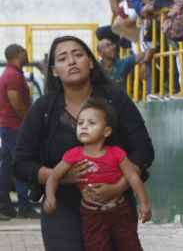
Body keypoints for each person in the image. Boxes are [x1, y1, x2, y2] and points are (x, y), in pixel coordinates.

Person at [15, 36, 154, 250]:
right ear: (53, 70)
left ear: (90, 63)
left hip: (115, 208)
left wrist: (117, 187)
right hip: (62, 207)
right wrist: (58, 176)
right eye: (62, 58)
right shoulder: (43, 109)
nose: (71, 61)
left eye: (78, 55)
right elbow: (21, 163)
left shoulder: (115, 100)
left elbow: (144, 151)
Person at [43, 98, 151, 250]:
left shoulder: (116, 154)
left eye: (91, 123)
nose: (84, 127)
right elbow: (54, 177)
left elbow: (133, 176)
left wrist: (144, 204)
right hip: (91, 215)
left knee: (130, 246)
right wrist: (50, 198)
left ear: (106, 131)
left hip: (119, 212)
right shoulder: (73, 155)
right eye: (80, 123)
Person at [0, 45, 35, 219]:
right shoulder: (13, 75)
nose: (27, 54)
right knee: (19, 164)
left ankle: (4, 205)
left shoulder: (11, 73)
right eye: (24, 51)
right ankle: (24, 207)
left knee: (6, 166)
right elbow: (16, 102)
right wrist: (28, 123)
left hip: (8, 126)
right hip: (15, 127)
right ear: (17, 54)